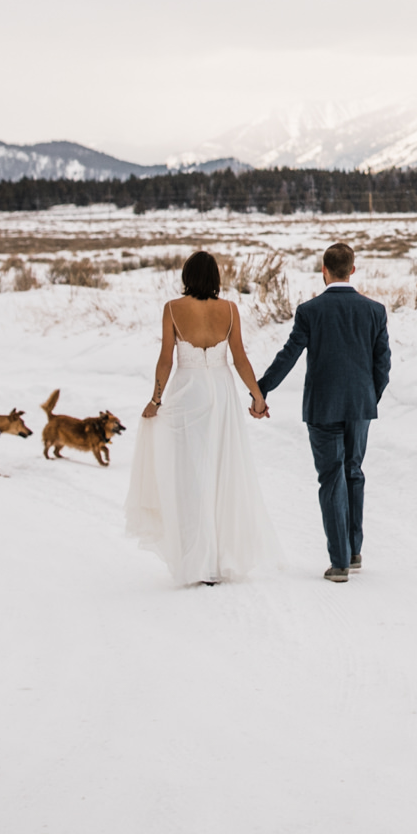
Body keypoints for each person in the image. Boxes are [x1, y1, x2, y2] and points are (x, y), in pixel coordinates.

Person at [124, 250, 284, 585]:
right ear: (214, 278)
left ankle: (198, 559)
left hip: (189, 392)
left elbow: (165, 360)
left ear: (187, 276)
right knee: (221, 470)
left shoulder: (172, 309)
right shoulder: (229, 309)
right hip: (222, 392)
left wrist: (155, 399)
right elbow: (239, 357)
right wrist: (257, 396)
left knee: (191, 475)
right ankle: (218, 559)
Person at [257, 241, 391, 584]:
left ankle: (340, 562)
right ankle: (354, 550)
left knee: (332, 477)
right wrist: (368, 397)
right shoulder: (374, 310)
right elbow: (383, 364)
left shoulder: (310, 311)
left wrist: (261, 388)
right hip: (360, 405)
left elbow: (289, 354)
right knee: (353, 472)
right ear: (354, 269)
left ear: (324, 270)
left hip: (323, 406)